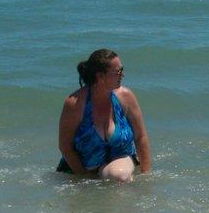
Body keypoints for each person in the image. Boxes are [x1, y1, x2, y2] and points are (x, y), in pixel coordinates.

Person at [57, 49, 151, 181]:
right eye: (118, 72)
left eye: (122, 69)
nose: (122, 75)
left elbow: (140, 137)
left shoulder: (125, 97)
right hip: (83, 169)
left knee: (120, 176)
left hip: (119, 161)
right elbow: (65, 146)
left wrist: (146, 175)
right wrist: (85, 179)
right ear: (100, 76)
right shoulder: (75, 103)